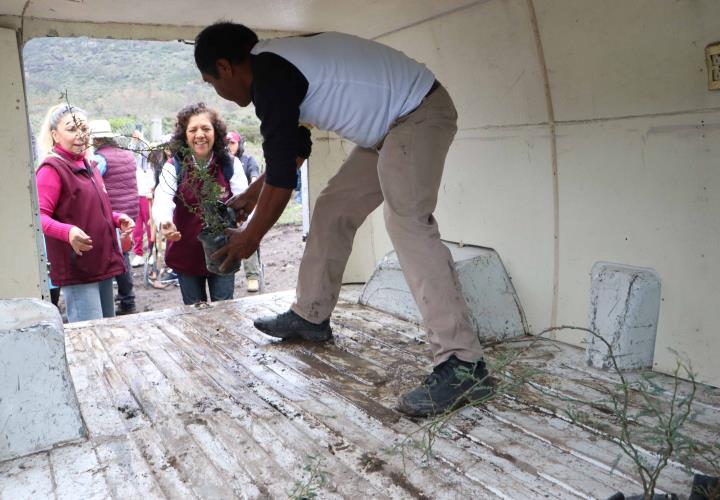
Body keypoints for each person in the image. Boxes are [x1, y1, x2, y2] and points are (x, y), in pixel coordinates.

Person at [194, 22, 491, 417]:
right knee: (334, 206)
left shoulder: (273, 77)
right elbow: (295, 150)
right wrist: (250, 197)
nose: (222, 95)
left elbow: (283, 182)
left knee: (407, 220)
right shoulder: (276, 66)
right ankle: (310, 315)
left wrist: (249, 238)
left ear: (225, 67)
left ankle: (463, 364)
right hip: (388, 129)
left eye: (213, 83)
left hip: (418, 113)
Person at [36, 104, 134, 323]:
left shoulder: (88, 165)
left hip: (101, 263)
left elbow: (92, 208)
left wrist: (117, 219)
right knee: (90, 335)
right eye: (71, 129)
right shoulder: (52, 169)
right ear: (55, 135)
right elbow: (38, 218)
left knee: (106, 329)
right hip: (78, 268)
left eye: (84, 128)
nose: (80, 135)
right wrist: (68, 232)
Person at [152, 103, 248, 305]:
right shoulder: (174, 167)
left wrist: (244, 224)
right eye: (193, 130)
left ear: (216, 132)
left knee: (224, 308)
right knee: (195, 311)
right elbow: (163, 199)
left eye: (206, 129)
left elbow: (245, 202)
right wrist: (165, 222)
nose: (200, 135)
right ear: (184, 135)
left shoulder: (230, 165)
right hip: (186, 253)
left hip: (223, 252)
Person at [89, 119, 139, 315]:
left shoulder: (100, 159)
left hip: (112, 215)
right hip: (130, 211)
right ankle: (127, 299)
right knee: (124, 253)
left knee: (116, 256)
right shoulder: (127, 155)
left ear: (96, 140)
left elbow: (92, 184)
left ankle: (126, 300)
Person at [226, 131, 261, 292]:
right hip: (227, 208)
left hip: (245, 207)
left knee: (247, 234)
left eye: (232, 143)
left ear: (239, 145)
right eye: (226, 143)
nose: (229, 146)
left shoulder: (248, 161)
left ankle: (252, 276)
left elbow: (254, 179)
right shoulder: (222, 162)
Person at [129, 127, 154, 268]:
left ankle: (151, 253)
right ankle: (138, 254)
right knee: (137, 228)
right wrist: (134, 140)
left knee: (150, 225)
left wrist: (142, 138)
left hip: (148, 197)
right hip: (135, 197)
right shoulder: (134, 162)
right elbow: (131, 152)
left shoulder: (152, 163)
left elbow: (148, 149)